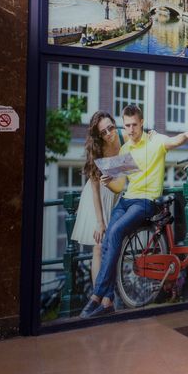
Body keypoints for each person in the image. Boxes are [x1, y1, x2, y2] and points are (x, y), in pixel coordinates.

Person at [79, 104, 188, 318]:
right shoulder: (125, 150)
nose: (130, 129)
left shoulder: (155, 140)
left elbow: (172, 141)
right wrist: (107, 182)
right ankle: (108, 300)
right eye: (127, 126)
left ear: (141, 123)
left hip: (144, 202)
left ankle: (97, 297)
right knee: (107, 239)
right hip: (126, 200)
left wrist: (186, 136)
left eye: (134, 124)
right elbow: (119, 185)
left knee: (114, 233)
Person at [71, 112, 123, 288]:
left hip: (116, 194)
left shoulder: (123, 137)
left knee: (114, 248)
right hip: (98, 197)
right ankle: (98, 295)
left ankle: (113, 295)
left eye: (111, 127)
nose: (109, 133)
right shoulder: (97, 148)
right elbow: (94, 187)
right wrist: (100, 222)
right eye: (103, 132)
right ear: (98, 135)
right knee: (99, 246)